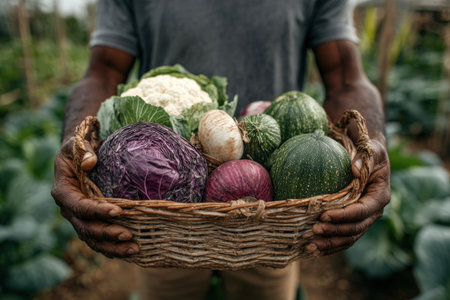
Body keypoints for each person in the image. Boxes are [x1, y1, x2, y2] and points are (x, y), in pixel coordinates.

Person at [51, 1, 391, 299]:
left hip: (271, 207)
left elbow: (345, 76)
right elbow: (104, 70)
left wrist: (370, 140)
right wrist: (76, 140)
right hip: (161, 206)